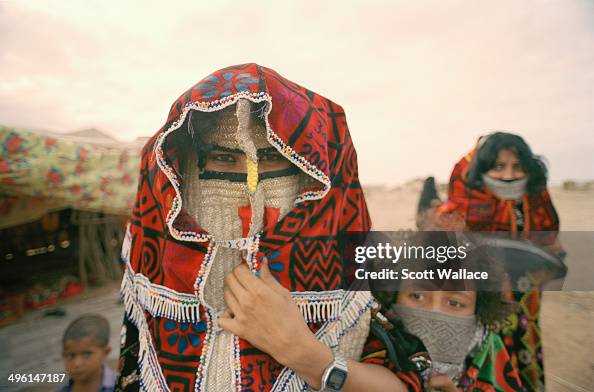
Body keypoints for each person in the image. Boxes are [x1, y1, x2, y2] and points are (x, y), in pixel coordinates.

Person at [116, 63, 415, 391]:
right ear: (183, 169)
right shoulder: (155, 269)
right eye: (224, 159)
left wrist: (306, 355)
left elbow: (406, 380)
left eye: (273, 160)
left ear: (308, 173)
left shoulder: (348, 266)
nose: (251, 188)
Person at [418, 132, 563, 391]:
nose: (508, 175)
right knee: (489, 353)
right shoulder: (459, 208)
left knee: (526, 348)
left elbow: (551, 244)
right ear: (481, 169)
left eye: (516, 166)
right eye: (498, 167)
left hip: (527, 300)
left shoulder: (534, 199)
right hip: (484, 298)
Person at [59, 314, 116, 392]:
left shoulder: (119, 386)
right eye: (70, 356)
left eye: (87, 354)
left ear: (105, 352)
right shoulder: (64, 388)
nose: (77, 364)